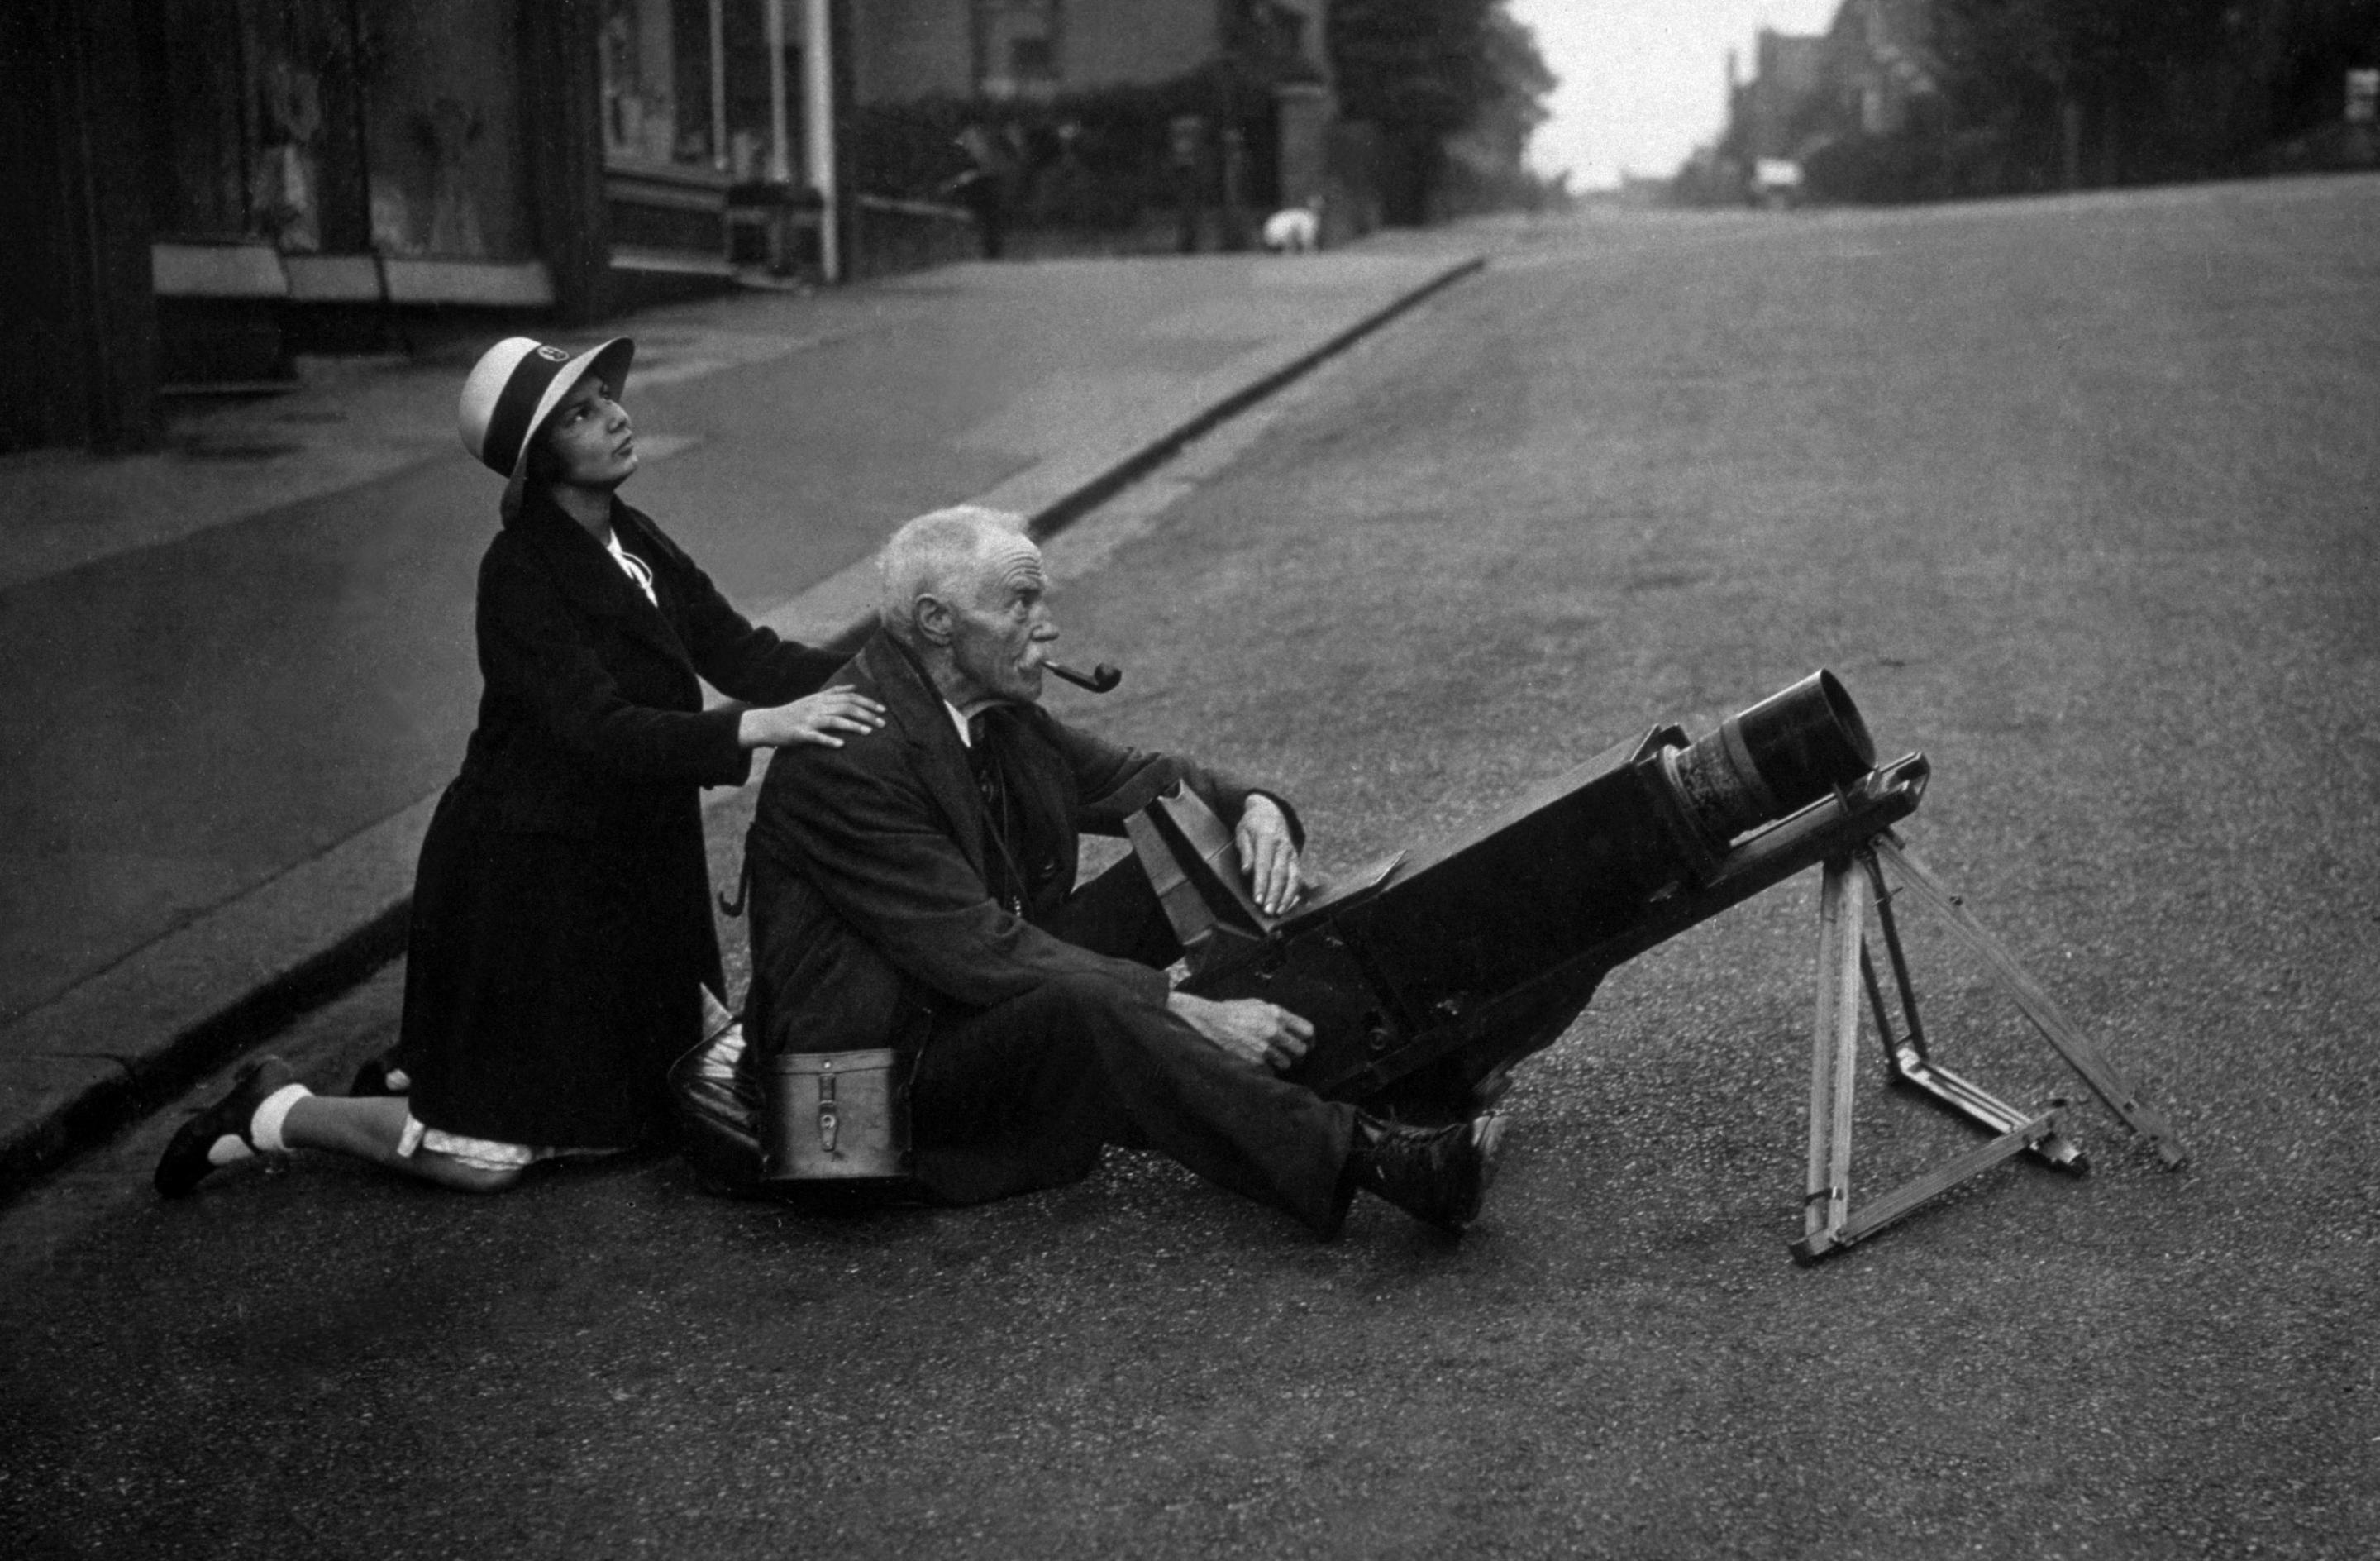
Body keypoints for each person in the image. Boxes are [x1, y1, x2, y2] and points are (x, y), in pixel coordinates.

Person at [155, 336, 884, 1197]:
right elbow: (598, 729)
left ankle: (432, 1064)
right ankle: (274, 1109)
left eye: (606, 397)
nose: (615, 416)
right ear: (536, 461)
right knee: (486, 1158)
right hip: (530, 879)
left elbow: (742, 650)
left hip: (628, 874)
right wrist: (759, 729)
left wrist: (891, 667)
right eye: (579, 414)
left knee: (656, 1106)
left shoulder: (632, 537)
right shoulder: (520, 573)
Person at [742, 505, 1505, 1238]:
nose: (1048, 625)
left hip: (954, 1009)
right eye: (1020, 603)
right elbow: (975, 948)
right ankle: (1376, 1159)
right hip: (866, 1097)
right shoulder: (847, 761)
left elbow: (1158, 784)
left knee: (1178, 856)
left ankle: (1334, 1055)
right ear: (939, 622)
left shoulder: (992, 711)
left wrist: (1259, 808)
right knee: (1093, 1001)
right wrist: (1179, 1008)